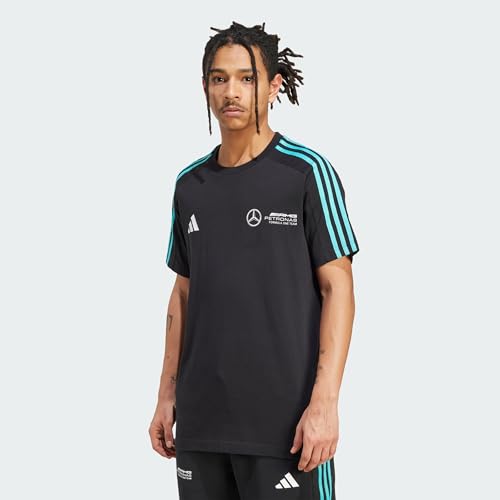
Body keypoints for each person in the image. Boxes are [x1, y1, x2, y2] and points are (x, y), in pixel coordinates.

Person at [149, 21, 360, 500]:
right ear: (205, 86)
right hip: (201, 426)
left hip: (286, 430)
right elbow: (183, 295)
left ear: (274, 85)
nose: (232, 92)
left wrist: (325, 403)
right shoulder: (189, 185)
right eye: (219, 78)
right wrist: (166, 395)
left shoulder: (306, 172)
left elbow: (338, 288)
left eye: (247, 78)